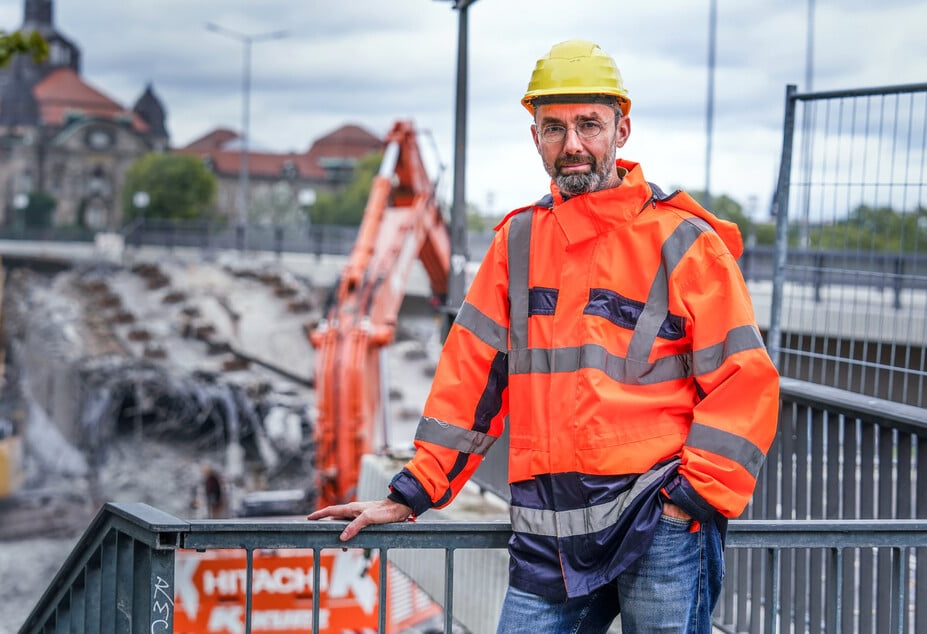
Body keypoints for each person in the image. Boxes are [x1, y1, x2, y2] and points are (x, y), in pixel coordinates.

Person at [309, 39, 780, 633]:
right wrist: (413, 491)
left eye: (589, 124)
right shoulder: (518, 242)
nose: (572, 144)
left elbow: (745, 379)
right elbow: (472, 378)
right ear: (535, 137)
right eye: (553, 128)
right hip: (548, 527)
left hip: (657, 522)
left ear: (622, 130)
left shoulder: (683, 241)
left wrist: (690, 499)